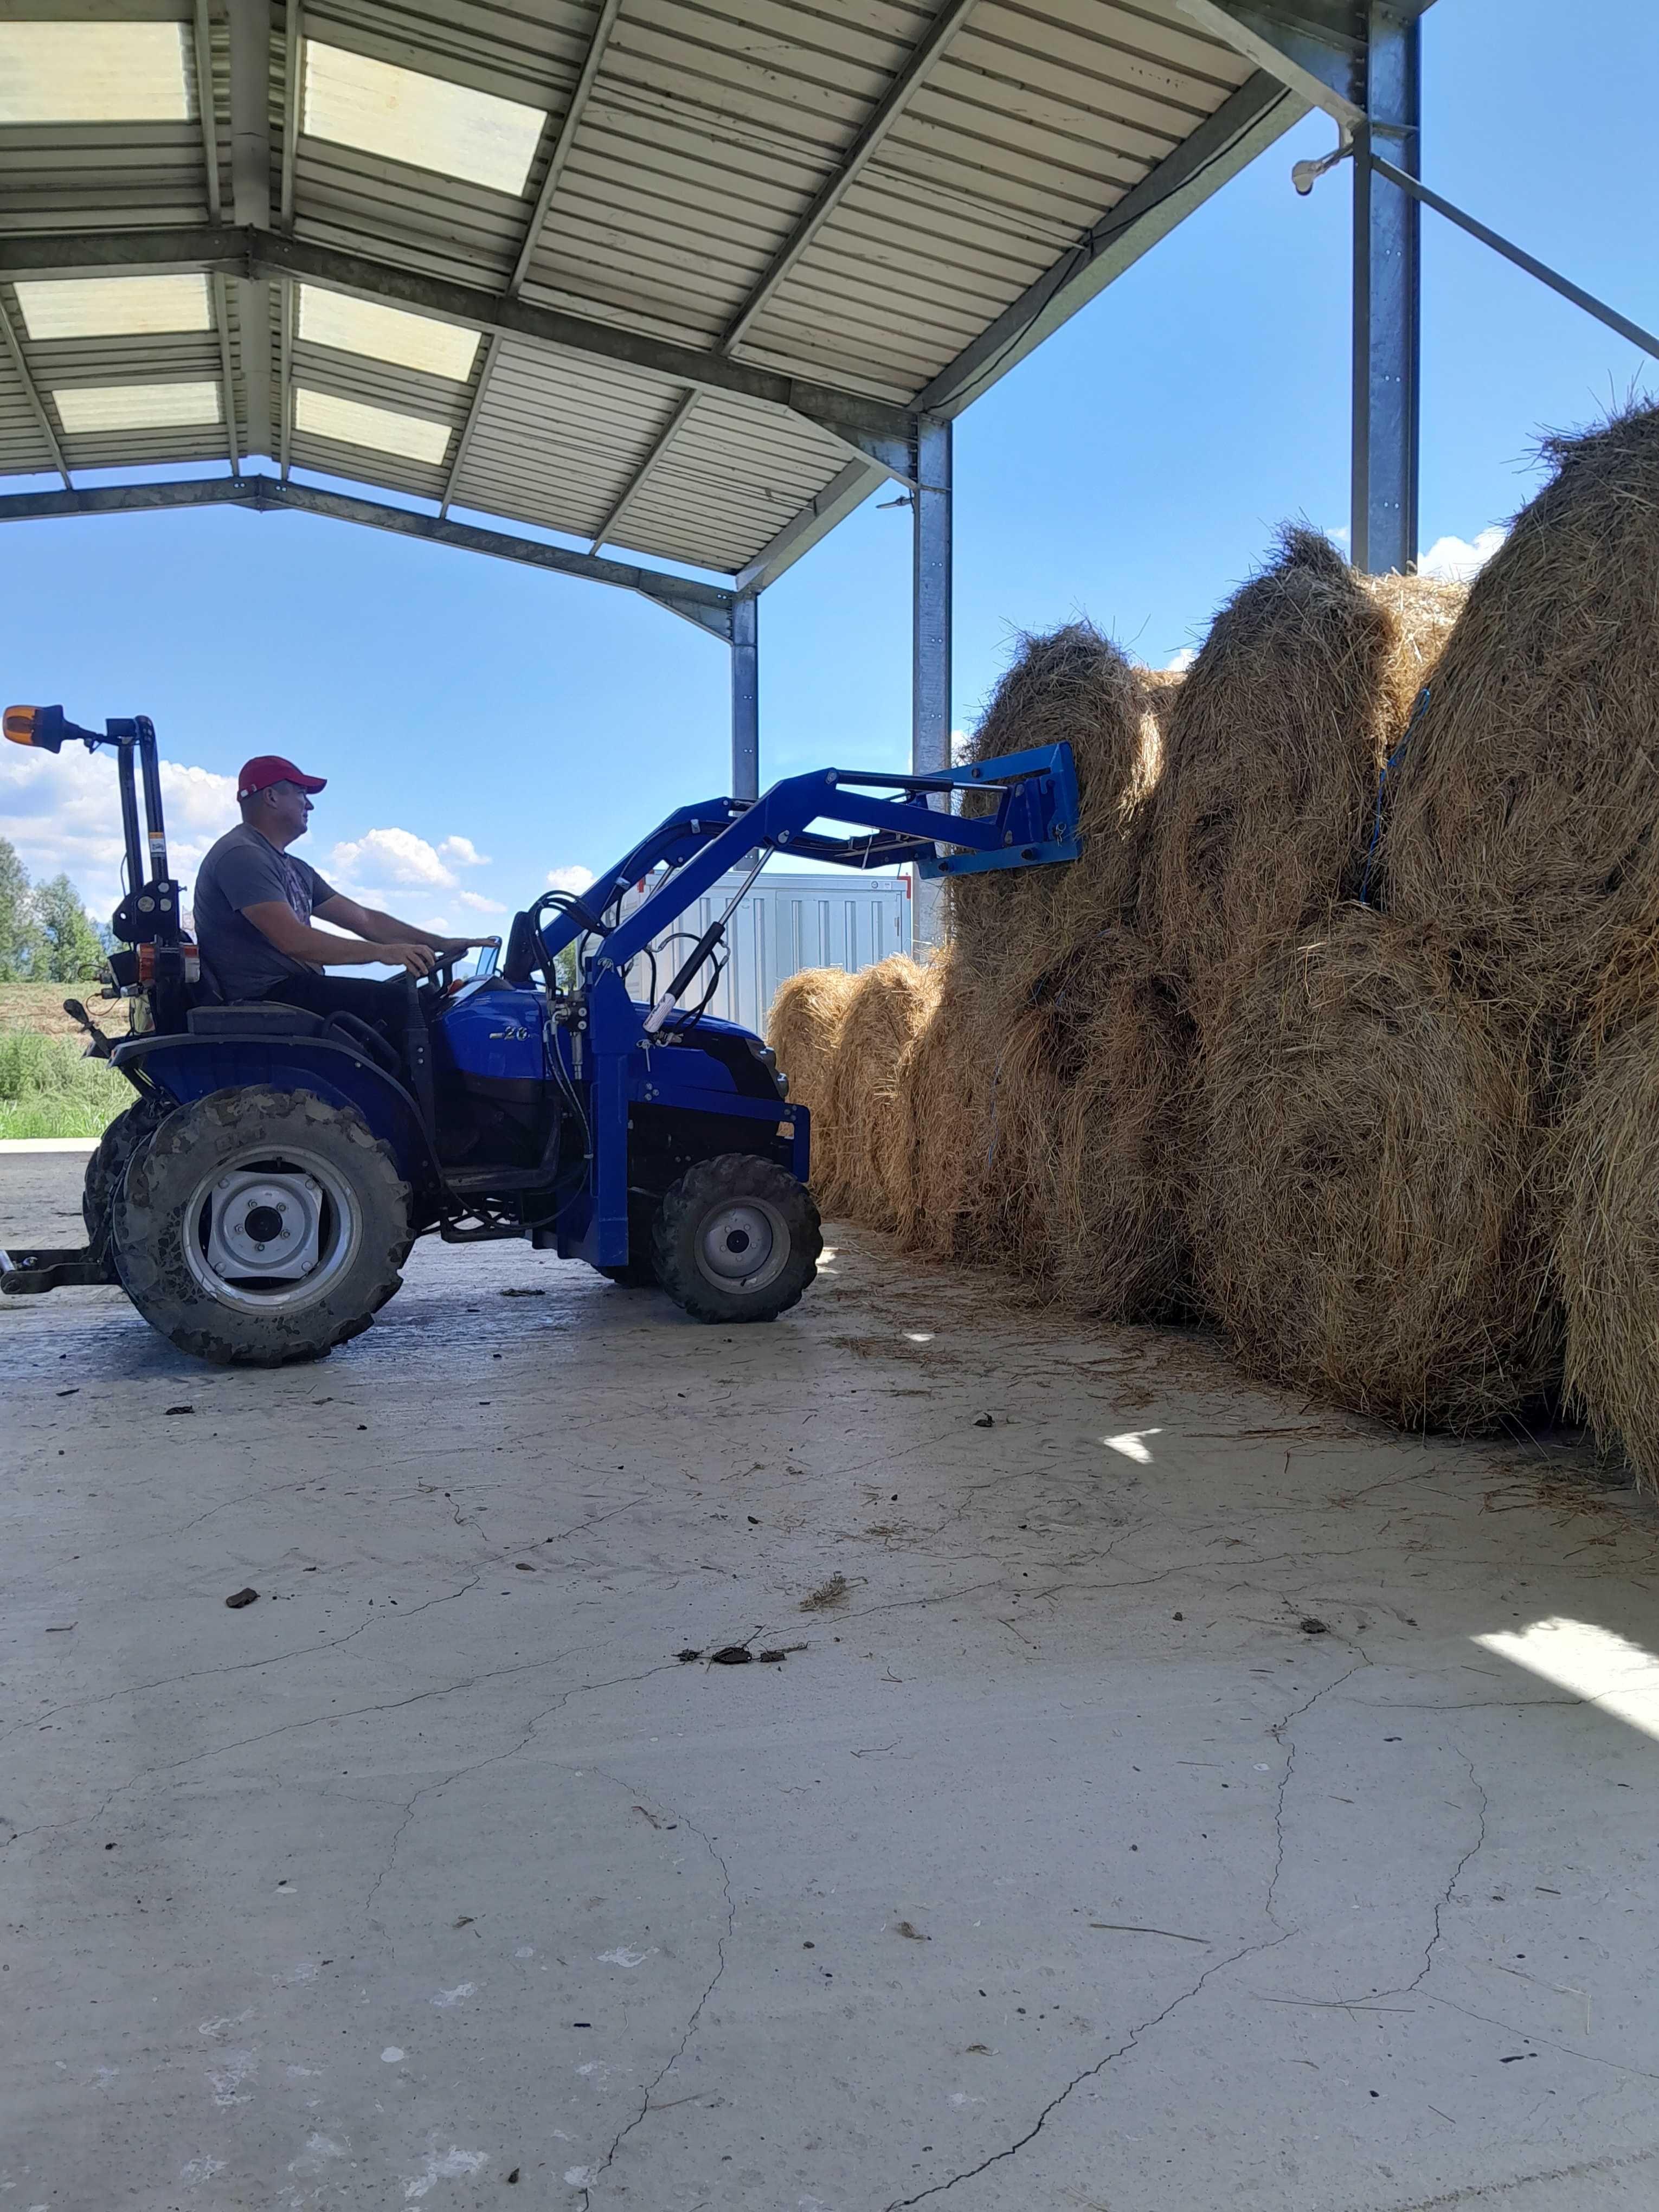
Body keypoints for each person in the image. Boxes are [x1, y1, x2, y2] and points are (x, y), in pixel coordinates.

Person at [192, 754, 490, 1033]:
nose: (309, 806)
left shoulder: (295, 868)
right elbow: (294, 940)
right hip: (264, 997)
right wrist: (383, 953)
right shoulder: (242, 856)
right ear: (271, 797)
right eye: (300, 794)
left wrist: (440, 943)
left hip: (294, 987)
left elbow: (365, 920)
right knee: (402, 1007)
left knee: (425, 1000)